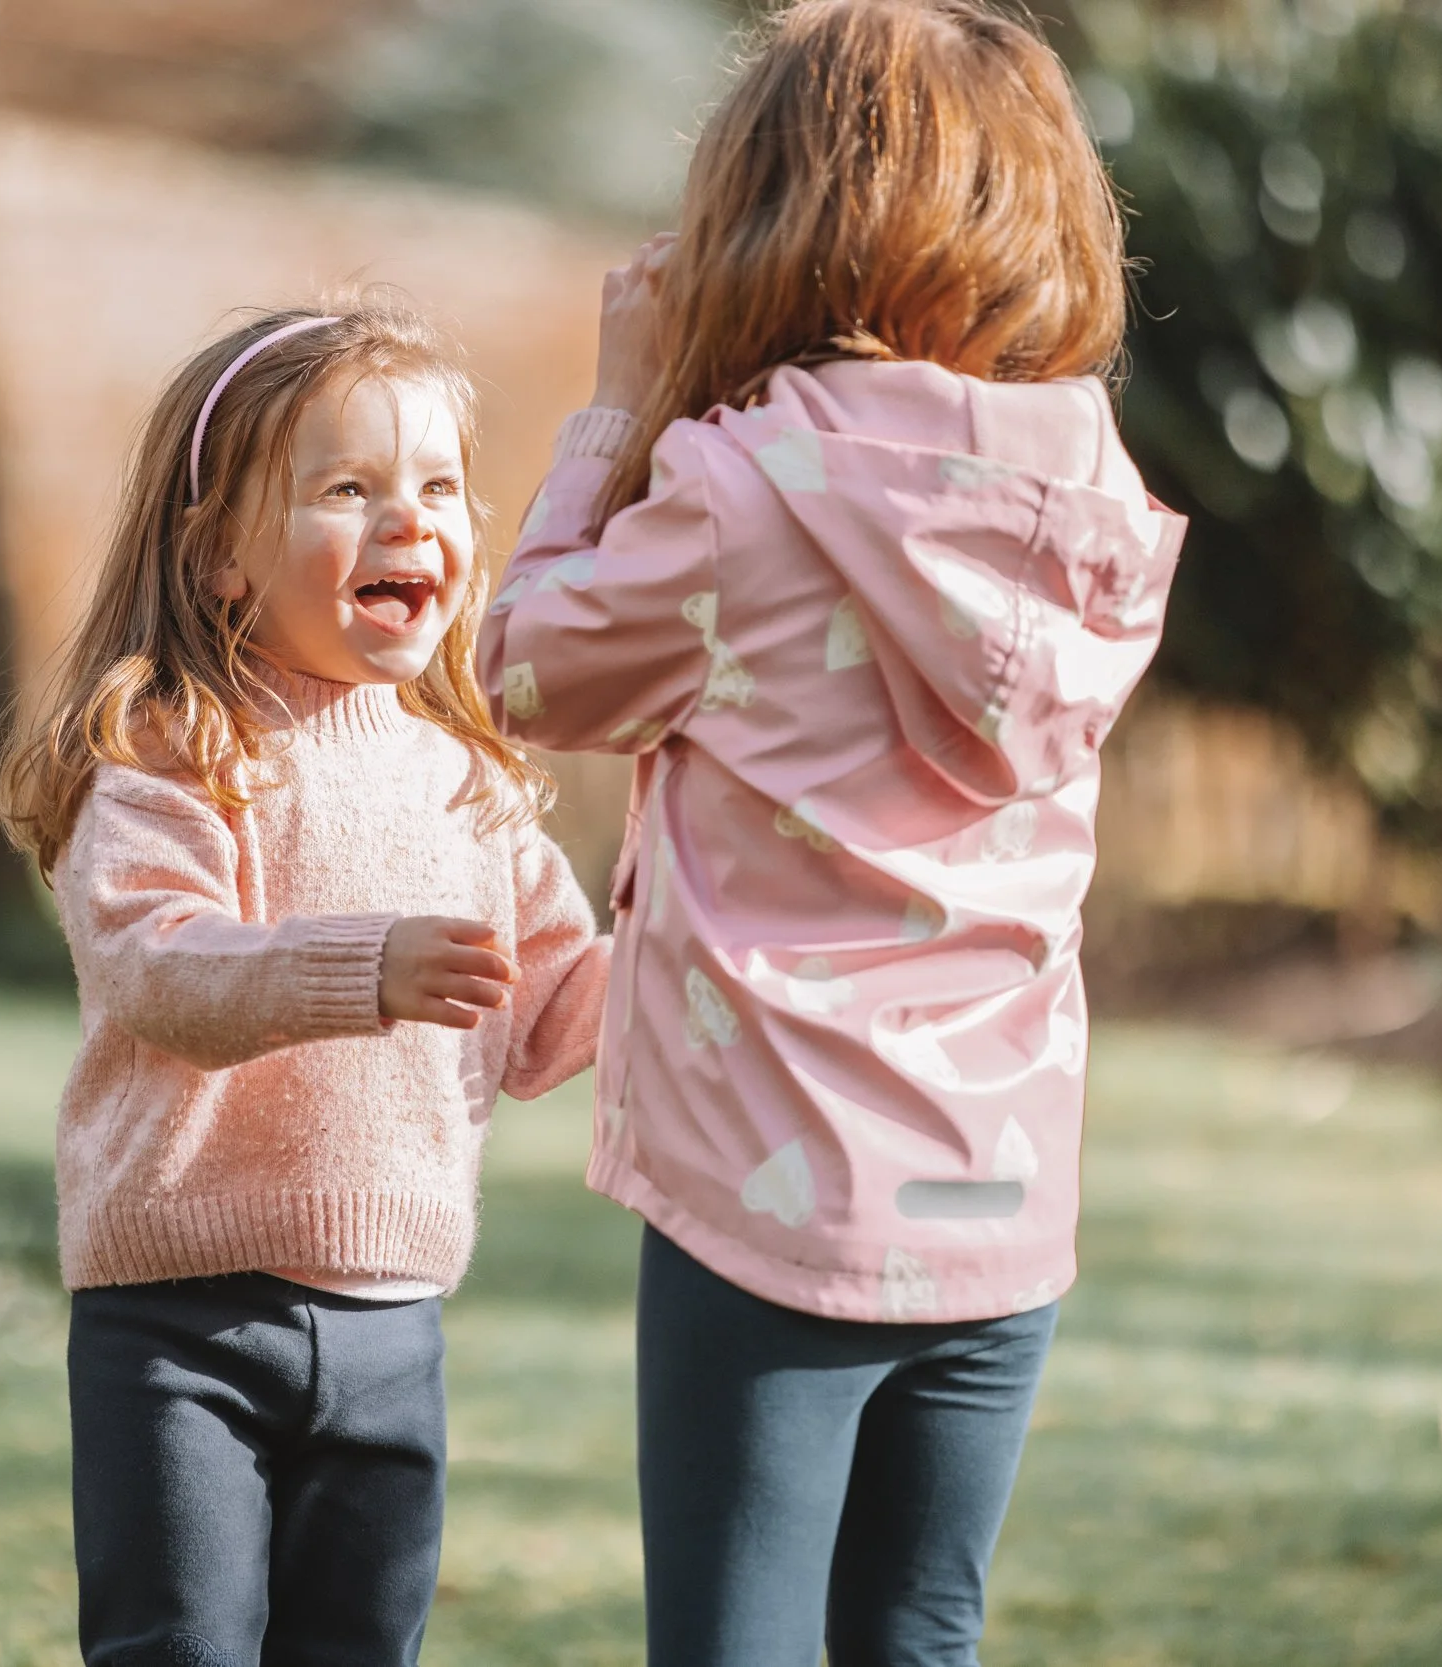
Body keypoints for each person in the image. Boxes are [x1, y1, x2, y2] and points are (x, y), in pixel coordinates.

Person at [476, 3, 1187, 1662]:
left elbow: (523, 668)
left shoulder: (740, 491)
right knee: (918, 1634)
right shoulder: (1082, 490)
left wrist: (614, 414)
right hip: (1000, 1198)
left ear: (774, 219)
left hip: (775, 1184)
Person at [0, 299, 610, 1667]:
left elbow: (556, 1000)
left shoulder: (474, 775)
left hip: (396, 1325)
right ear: (218, 551)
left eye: (439, 487)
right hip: (180, 1318)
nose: (410, 523)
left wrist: (696, 962)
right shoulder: (172, 747)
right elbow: (156, 966)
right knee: (182, 1646)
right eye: (349, 489)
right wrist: (366, 967)